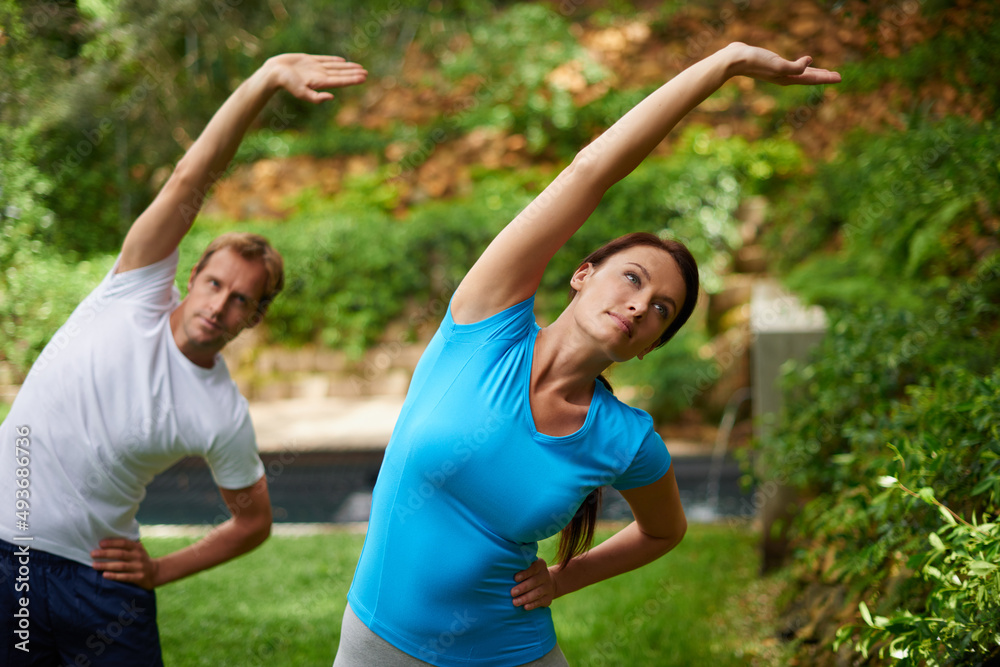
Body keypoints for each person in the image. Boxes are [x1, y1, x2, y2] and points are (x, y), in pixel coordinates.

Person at [334, 42, 839, 666]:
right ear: (582, 273)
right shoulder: (484, 326)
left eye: (662, 309)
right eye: (632, 278)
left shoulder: (624, 438)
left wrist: (563, 579)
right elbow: (589, 170)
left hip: (513, 652)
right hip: (379, 645)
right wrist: (723, 65)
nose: (640, 305)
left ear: (651, 344)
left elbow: (664, 531)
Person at [0, 54, 367, 665]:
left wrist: (161, 569)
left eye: (241, 300)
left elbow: (253, 524)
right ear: (192, 276)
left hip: (102, 585)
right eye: (216, 284)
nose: (221, 305)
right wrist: (265, 79)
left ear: (253, 318)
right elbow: (189, 179)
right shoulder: (132, 290)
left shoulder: (221, 413)